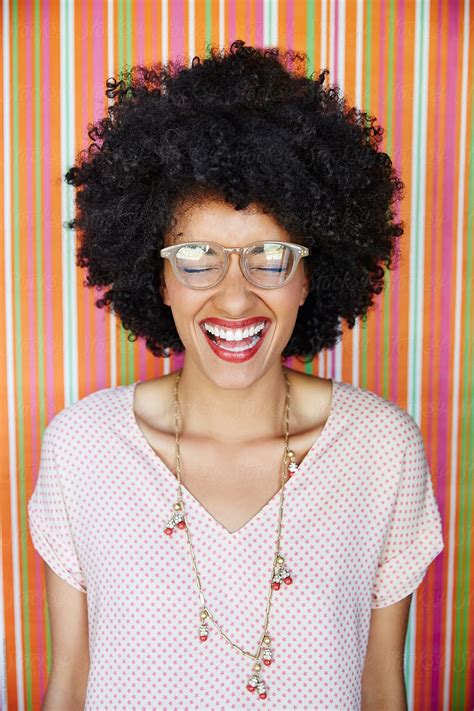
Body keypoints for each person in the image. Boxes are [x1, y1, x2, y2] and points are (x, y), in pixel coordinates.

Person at [28, 40, 444, 710]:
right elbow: (70, 683)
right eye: (196, 257)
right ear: (156, 276)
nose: (233, 296)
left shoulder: (382, 449)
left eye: (270, 257)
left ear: (313, 272)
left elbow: (379, 687)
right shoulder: (81, 445)